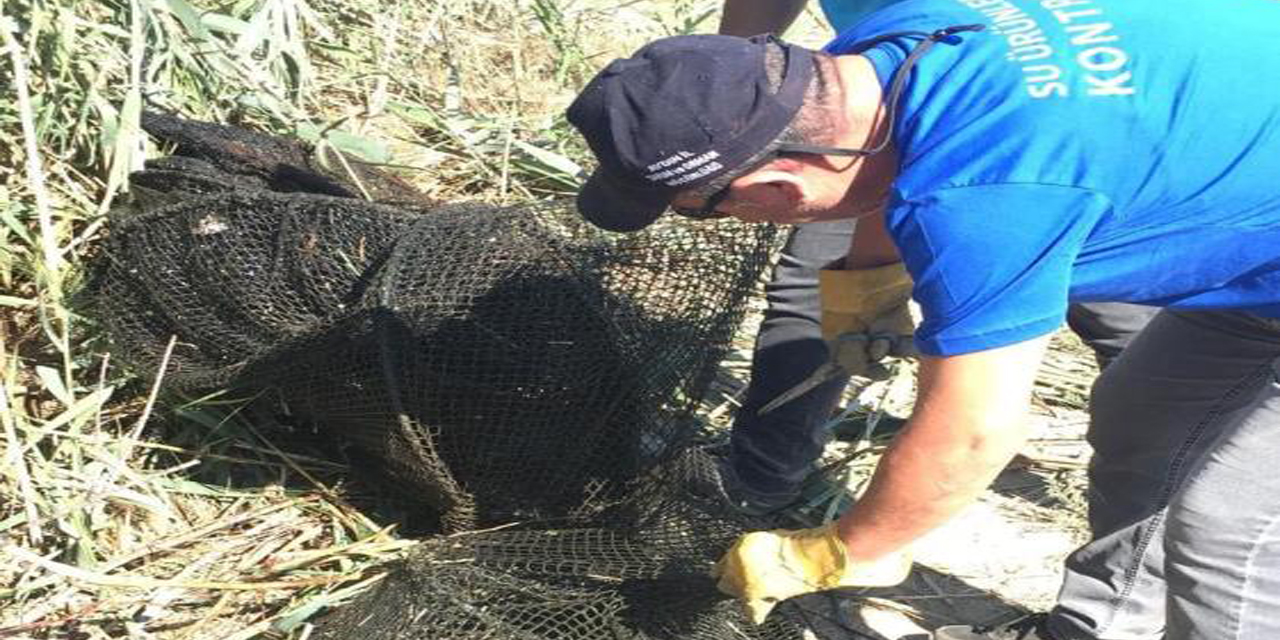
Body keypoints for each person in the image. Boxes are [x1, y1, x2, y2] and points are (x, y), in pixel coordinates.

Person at [564, 0, 1280, 638]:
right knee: (1142, 423)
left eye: (707, 211)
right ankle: (1099, 626)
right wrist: (863, 280)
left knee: (1222, 537)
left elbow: (975, 433)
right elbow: (888, 161)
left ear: (772, 189)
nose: (716, 225)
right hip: (1256, 256)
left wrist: (844, 548)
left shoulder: (984, 199)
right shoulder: (893, 42)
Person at [715, 0, 1157, 522]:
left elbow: (979, 428)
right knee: (822, 289)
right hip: (864, 97)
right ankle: (760, 481)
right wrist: (729, 95)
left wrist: (848, 551)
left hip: (1027, 118)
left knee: (1115, 313)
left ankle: (1160, 503)